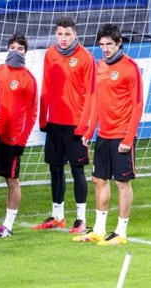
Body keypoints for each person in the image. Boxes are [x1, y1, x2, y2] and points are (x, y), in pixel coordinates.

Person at [73, 24, 143, 246]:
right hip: (103, 135)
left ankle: (120, 232)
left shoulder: (130, 68)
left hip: (121, 134)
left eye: (109, 44)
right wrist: (90, 130)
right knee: (98, 179)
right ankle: (99, 230)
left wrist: (128, 138)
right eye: (102, 45)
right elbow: (95, 100)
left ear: (118, 43)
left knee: (122, 183)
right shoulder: (99, 65)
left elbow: (138, 105)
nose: (105, 49)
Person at [34, 16, 95, 233]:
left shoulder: (86, 58)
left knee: (77, 171)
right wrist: (43, 118)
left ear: (75, 34)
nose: (63, 38)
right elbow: (46, 86)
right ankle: (57, 215)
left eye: (67, 34)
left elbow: (91, 95)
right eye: (59, 34)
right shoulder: (50, 54)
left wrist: (85, 126)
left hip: (76, 124)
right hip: (54, 123)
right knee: (55, 169)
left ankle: (81, 219)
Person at [0, 33, 37, 238]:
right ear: (7, 49)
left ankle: (8, 225)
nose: (15, 51)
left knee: (12, 180)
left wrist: (22, 140)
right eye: (12, 47)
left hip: (12, 139)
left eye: (20, 48)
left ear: (26, 52)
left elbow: (32, 113)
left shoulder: (28, 79)